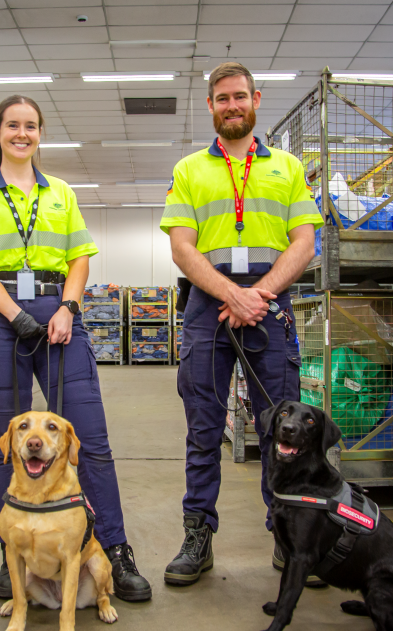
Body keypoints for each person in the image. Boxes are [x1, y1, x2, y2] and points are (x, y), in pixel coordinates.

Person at [0, 95, 151, 602]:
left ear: (40, 134)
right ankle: (10, 555)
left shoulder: (60, 192)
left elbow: (80, 258)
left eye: (32, 126)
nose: (22, 133)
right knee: (6, 448)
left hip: (58, 315)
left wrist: (68, 307)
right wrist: (13, 315)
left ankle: (113, 549)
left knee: (90, 442)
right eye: (13, 125)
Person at [159, 62, 322, 586]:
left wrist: (257, 295)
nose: (232, 105)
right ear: (210, 106)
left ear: (255, 100)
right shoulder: (190, 170)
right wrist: (231, 294)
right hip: (210, 307)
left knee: (284, 431)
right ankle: (198, 537)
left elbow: (304, 242)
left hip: (269, 304)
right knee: (203, 430)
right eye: (221, 98)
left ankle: (287, 536)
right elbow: (182, 246)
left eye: (240, 97)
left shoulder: (288, 168)